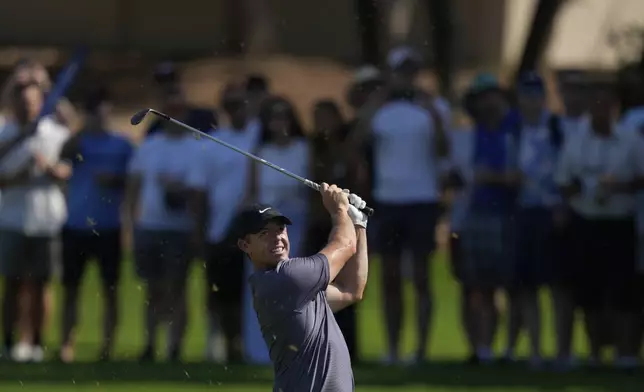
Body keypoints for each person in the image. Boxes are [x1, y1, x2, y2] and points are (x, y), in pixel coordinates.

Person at [351, 46, 449, 364]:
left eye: (412, 71)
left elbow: (444, 149)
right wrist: (375, 104)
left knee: (421, 278)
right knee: (390, 278)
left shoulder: (433, 108)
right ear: (391, 75)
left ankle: (420, 349)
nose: (408, 77)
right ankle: (393, 348)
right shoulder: (379, 110)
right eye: (401, 71)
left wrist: (433, 112)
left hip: (421, 200)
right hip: (388, 201)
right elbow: (355, 143)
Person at [235, 183, 368, 392]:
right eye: (264, 233)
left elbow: (351, 289)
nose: (276, 237)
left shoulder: (295, 286)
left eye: (280, 229)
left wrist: (359, 223)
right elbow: (345, 244)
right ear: (245, 245)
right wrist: (339, 210)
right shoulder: (288, 279)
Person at [555, 80, 644, 370]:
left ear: (615, 108)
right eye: (596, 105)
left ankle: (626, 354)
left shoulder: (631, 139)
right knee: (589, 292)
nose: (601, 110)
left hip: (620, 222)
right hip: (586, 221)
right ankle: (594, 353)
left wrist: (619, 186)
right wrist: (581, 190)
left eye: (607, 105)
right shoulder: (576, 141)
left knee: (624, 292)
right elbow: (563, 181)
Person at [57, 87, 134, 362]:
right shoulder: (78, 142)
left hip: (108, 226)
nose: (97, 117)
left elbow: (133, 182)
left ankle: (108, 347)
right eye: (91, 112)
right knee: (70, 289)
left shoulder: (122, 144)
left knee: (110, 290)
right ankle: (67, 345)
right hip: (75, 225)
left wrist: (114, 180)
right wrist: (79, 129)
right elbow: (63, 156)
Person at [188, 81, 261, 363]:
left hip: (261, 231)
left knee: (254, 295)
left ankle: (252, 346)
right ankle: (225, 345)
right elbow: (199, 192)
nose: (237, 110)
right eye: (231, 105)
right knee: (223, 294)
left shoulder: (260, 137)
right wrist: (200, 229)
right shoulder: (212, 143)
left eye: (241, 103)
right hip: (222, 230)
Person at [0, 81, 71, 362]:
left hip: (47, 219)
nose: (27, 107)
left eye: (32, 102)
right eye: (22, 102)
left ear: (41, 103)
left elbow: (68, 169)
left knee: (42, 283)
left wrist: (49, 167)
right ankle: (8, 343)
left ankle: (37, 345)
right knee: (12, 284)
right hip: (11, 219)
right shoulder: (4, 132)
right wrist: (16, 177)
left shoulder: (56, 133)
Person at [448, 73, 515, 364]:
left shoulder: (512, 131)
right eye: (481, 97)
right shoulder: (463, 136)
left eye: (492, 95)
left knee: (494, 285)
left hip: (504, 216)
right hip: (465, 217)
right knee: (470, 284)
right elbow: (452, 175)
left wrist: (494, 178)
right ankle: (476, 347)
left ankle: (491, 344)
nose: (488, 102)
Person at [125, 107, 201, 362]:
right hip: (149, 225)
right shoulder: (149, 145)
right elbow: (134, 187)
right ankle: (149, 345)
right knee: (153, 289)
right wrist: (130, 225)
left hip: (181, 229)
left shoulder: (195, 147)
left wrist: (178, 188)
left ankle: (175, 348)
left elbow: (198, 192)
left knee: (177, 289)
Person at [504, 72, 564, 368]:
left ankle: (562, 351)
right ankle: (537, 351)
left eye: (536, 94)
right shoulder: (514, 129)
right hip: (524, 212)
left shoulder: (556, 127)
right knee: (526, 287)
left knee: (556, 285)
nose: (531, 100)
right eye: (526, 94)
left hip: (552, 212)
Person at [308, 99, 359, 362]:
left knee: (344, 288)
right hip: (317, 225)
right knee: (317, 288)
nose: (321, 124)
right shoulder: (313, 148)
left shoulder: (346, 148)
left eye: (326, 118)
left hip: (342, 226)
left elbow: (358, 179)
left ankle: (348, 347)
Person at [249, 97, 310, 258]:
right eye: (274, 118)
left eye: (284, 117)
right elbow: (253, 190)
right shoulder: (261, 151)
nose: (279, 123)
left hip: (295, 220)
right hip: (266, 219)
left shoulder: (303, 149)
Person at [145, 63, 217, 138]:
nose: (168, 86)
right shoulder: (155, 130)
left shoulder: (205, 118)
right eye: (162, 83)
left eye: (172, 81)